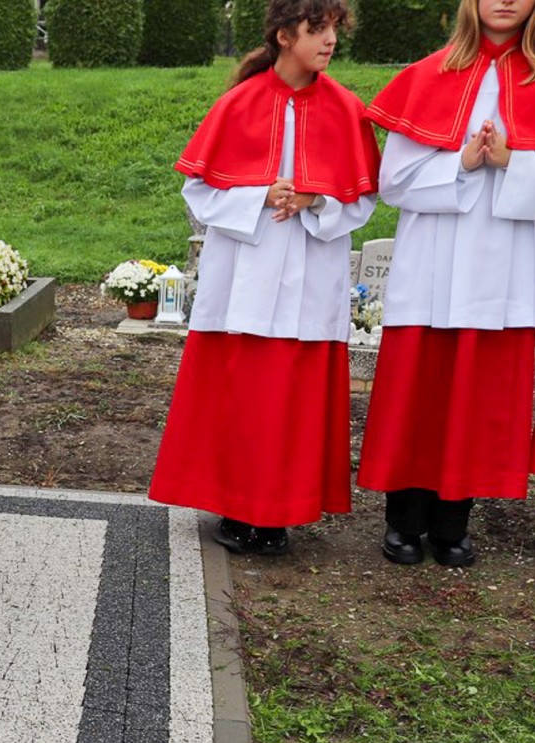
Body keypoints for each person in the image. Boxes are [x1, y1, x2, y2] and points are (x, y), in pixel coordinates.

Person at [148, 0, 379, 556]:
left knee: (293, 401)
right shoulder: (238, 103)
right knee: (240, 396)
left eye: (333, 30)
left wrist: (317, 198)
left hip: (310, 277)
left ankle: (278, 513)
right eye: (316, 29)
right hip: (244, 279)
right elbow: (198, 192)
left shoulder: (347, 109)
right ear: (282, 35)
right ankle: (233, 505)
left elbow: (364, 198)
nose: (329, 41)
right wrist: (259, 196)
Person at [356, 0, 535, 567]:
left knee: (478, 398)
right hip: (432, 262)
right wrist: (460, 162)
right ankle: (403, 521)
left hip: (506, 267)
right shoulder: (427, 77)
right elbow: (395, 183)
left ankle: (454, 522)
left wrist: (512, 161)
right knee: (419, 390)